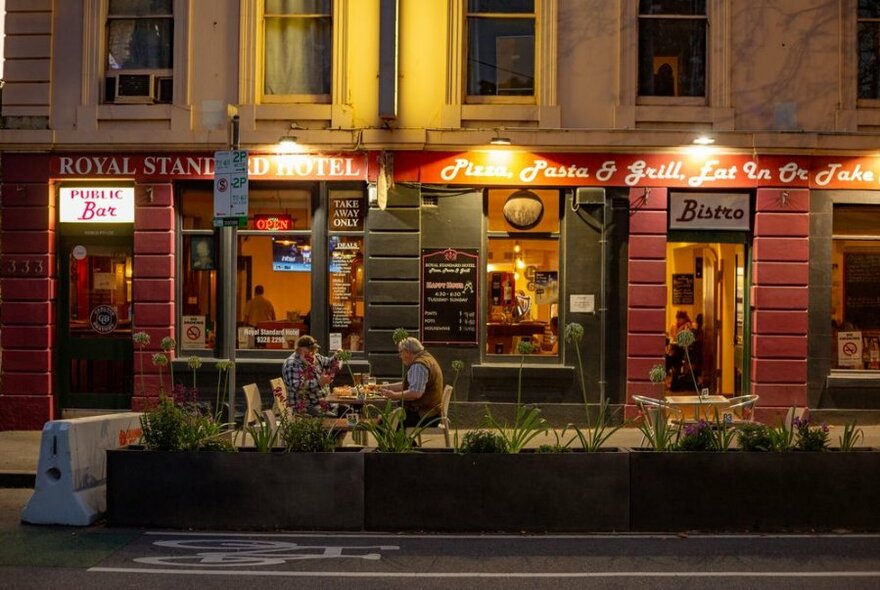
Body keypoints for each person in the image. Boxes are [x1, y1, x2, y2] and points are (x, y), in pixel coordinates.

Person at [379, 337, 444, 428]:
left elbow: (415, 393)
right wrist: (382, 387)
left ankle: (406, 443)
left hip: (424, 416)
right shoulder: (426, 357)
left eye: (401, 352)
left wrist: (394, 395)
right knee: (386, 419)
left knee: (383, 423)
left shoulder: (419, 365)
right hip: (430, 413)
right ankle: (407, 442)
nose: (400, 356)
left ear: (407, 352)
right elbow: (406, 385)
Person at [281, 335, 341, 416]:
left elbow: (329, 363)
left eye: (314, 351)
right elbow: (297, 387)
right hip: (305, 407)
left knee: (349, 410)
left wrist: (336, 357)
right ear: (301, 350)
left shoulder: (316, 357)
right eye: (310, 351)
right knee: (336, 416)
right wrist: (319, 383)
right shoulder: (292, 364)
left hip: (324, 402)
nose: (313, 354)